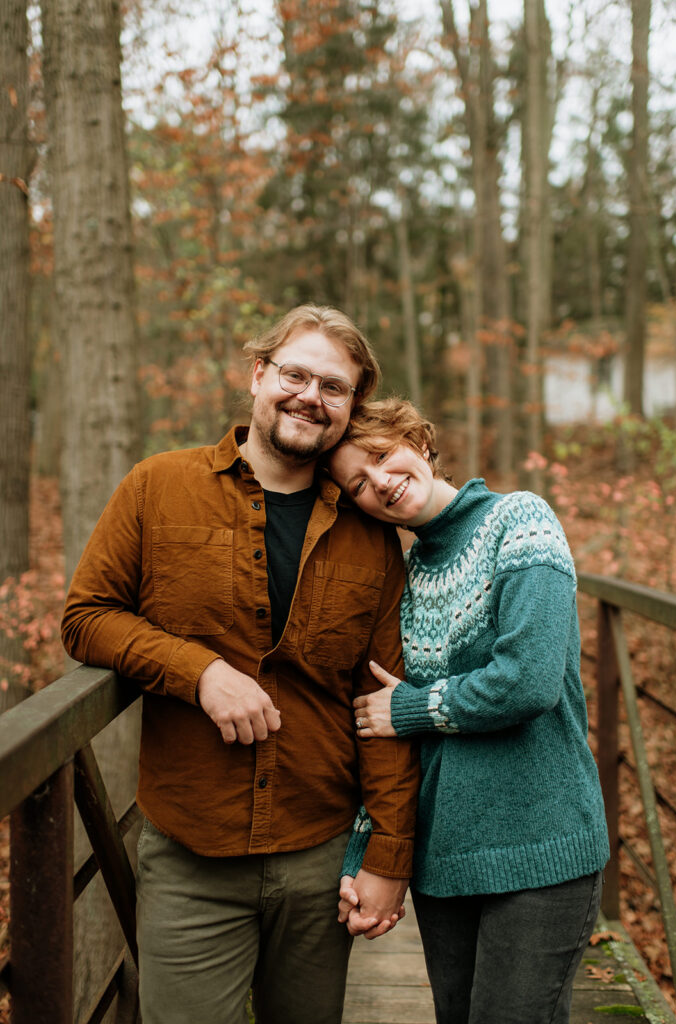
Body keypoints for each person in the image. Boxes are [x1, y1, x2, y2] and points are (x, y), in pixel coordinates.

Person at [61, 307, 420, 1024]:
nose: (310, 397)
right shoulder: (156, 488)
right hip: (193, 851)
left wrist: (388, 856)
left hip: (321, 856)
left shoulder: (370, 530)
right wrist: (198, 672)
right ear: (258, 375)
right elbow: (86, 616)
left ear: (350, 407)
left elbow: (385, 702)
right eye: (295, 374)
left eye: (334, 387)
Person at [328, 397, 610, 1024]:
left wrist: (411, 708)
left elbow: (528, 681)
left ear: (416, 439)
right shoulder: (404, 574)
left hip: (541, 847)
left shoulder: (521, 521)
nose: (380, 482)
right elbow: (390, 738)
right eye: (358, 485)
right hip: (444, 863)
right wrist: (365, 857)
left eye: (380, 456)